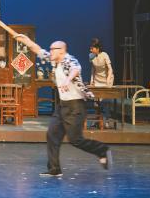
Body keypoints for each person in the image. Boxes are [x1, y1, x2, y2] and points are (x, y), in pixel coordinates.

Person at [14, 34, 112, 177]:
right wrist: (26, 40)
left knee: (75, 140)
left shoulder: (69, 60)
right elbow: (38, 50)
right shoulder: (55, 61)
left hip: (75, 106)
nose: (50, 52)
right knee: (52, 135)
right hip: (63, 106)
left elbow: (75, 69)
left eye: (52, 49)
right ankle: (54, 169)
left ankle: (101, 149)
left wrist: (67, 79)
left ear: (61, 51)